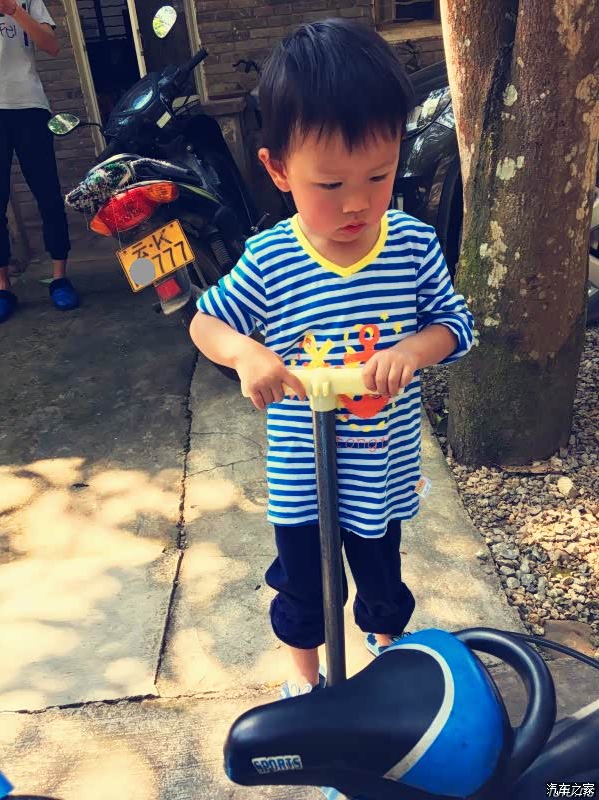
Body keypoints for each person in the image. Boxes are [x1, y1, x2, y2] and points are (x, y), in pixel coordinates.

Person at [190, 19, 475, 696]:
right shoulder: (271, 258)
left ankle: (390, 656)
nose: (357, 203)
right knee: (305, 585)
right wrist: (246, 354)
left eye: (378, 176)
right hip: (301, 470)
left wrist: (414, 348)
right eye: (329, 185)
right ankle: (306, 682)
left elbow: (455, 325)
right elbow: (206, 321)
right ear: (278, 171)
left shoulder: (410, 245)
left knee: (381, 576)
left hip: (380, 465)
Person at [0, 0, 78, 324]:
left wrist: (14, 10)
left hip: (29, 106)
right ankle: (2, 287)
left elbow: (51, 46)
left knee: (48, 195)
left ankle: (60, 277)